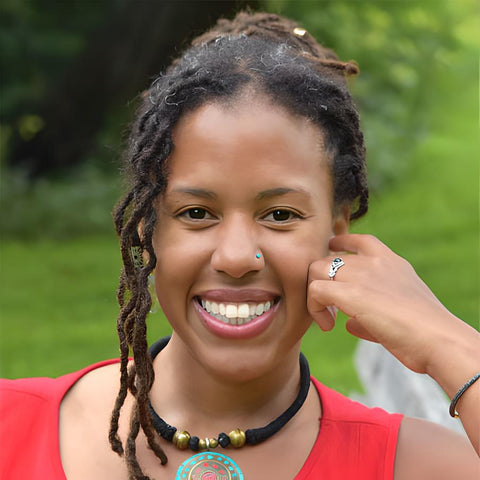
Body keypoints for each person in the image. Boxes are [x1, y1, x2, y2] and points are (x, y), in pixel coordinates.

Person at [1, 11, 479, 480]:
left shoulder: (416, 465)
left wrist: (452, 346)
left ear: (335, 233)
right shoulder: (11, 423)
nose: (235, 257)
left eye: (280, 215)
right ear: (147, 232)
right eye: (196, 213)